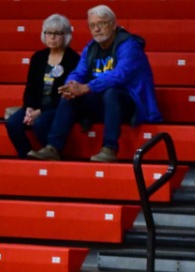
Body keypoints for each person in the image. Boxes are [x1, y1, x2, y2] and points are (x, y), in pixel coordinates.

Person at [28, 4, 162, 162]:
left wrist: (87, 87)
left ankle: (109, 148)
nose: (96, 29)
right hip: (102, 102)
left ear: (113, 25)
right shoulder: (91, 47)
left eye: (101, 24)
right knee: (71, 94)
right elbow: (79, 72)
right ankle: (53, 148)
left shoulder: (129, 45)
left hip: (130, 104)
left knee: (111, 91)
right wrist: (71, 85)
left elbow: (119, 75)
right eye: (92, 25)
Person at [5, 14, 79, 158]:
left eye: (57, 33)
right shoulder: (38, 57)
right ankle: (26, 158)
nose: (52, 37)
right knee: (13, 123)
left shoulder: (73, 59)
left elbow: (65, 95)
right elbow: (30, 89)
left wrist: (40, 111)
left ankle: (54, 156)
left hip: (57, 107)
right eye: (49, 33)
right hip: (36, 106)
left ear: (66, 36)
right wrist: (29, 108)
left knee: (40, 123)